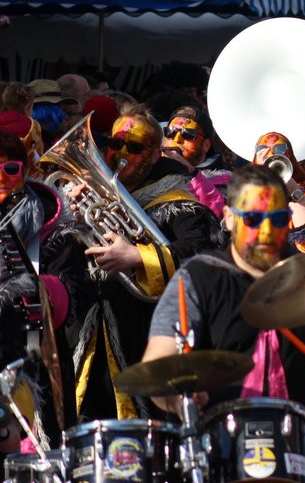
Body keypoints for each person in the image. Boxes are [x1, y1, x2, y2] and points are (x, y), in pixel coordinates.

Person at [141, 164, 305, 416]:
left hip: (301, 444)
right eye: (253, 218)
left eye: (276, 219)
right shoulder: (197, 279)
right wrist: (179, 400)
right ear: (229, 218)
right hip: (218, 445)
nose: (265, 231)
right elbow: (156, 367)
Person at [61, 103, 221, 420]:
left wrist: (137, 256)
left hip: (143, 338)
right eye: (114, 143)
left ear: (156, 155)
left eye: (133, 147)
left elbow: (204, 257)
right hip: (88, 344)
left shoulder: (179, 204)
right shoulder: (88, 196)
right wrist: (69, 217)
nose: (120, 153)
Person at [0, 131, 78, 444]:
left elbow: (72, 296)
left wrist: (38, 291)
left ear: (27, 168)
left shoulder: (54, 226)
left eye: (10, 168)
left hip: (38, 365)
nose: (2, 178)